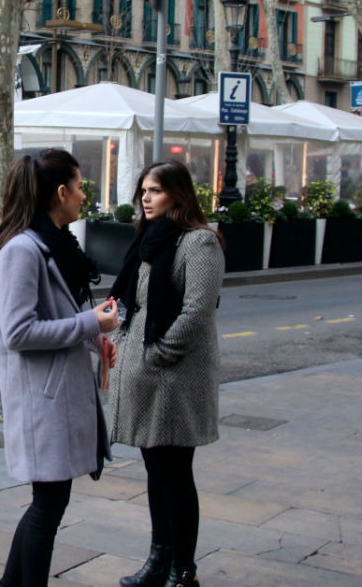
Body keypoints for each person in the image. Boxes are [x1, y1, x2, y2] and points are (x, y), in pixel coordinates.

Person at [0, 148, 119, 587]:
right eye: (81, 186)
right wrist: (89, 322)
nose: (85, 195)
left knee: (48, 504)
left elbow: (58, 312)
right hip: (42, 399)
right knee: (47, 506)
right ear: (61, 192)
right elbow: (18, 332)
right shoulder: (23, 250)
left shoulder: (54, 244)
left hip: (57, 395)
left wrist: (97, 338)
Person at [107, 160, 224, 587]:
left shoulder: (199, 243)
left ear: (177, 194)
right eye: (143, 190)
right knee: (156, 470)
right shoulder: (148, 242)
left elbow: (196, 312)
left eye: (154, 190)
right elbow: (129, 301)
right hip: (143, 371)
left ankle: (184, 569)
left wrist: (158, 354)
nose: (145, 197)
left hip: (176, 375)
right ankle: (158, 561)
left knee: (175, 473)